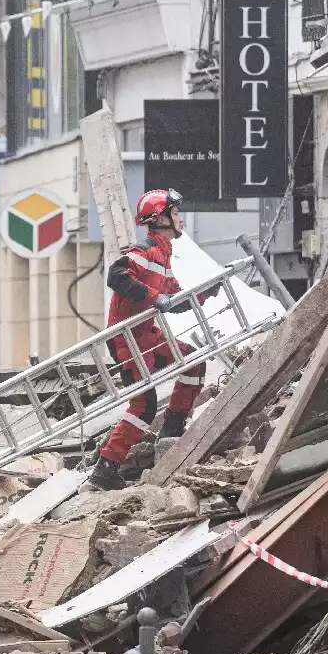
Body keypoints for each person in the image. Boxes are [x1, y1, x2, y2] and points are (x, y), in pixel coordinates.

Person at [89, 188, 217, 492]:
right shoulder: (144, 250)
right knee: (143, 406)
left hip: (147, 335)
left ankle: (171, 433)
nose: (180, 219)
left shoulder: (163, 254)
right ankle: (105, 469)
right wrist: (152, 297)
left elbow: (174, 297)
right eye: (175, 213)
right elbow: (117, 276)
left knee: (194, 363)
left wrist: (207, 291)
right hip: (127, 339)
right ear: (159, 218)